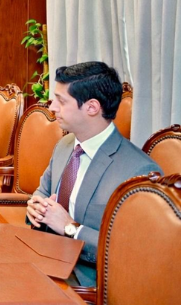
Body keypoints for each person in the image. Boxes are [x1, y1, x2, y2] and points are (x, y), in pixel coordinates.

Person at [25, 62, 162, 287]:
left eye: (61, 101)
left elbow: (132, 252)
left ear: (91, 107)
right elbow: (43, 192)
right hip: (43, 254)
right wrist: (36, 206)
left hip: (85, 278)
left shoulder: (138, 172)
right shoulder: (65, 145)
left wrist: (70, 227)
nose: (52, 107)